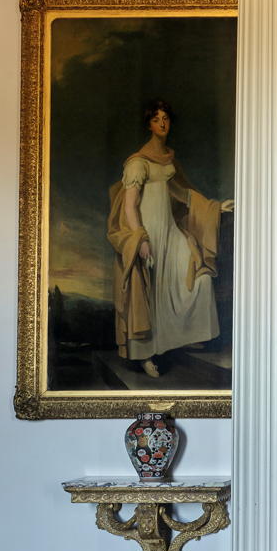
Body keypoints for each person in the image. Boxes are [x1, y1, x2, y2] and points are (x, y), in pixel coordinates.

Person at [106, 99, 228, 378]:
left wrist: (216, 208)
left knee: (200, 278)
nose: (162, 123)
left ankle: (181, 338)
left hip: (171, 234)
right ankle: (146, 355)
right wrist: (141, 238)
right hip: (147, 234)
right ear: (149, 124)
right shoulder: (138, 163)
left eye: (166, 119)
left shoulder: (168, 162)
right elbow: (129, 206)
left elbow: (184, 195)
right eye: (156, 119)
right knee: (146, 294)